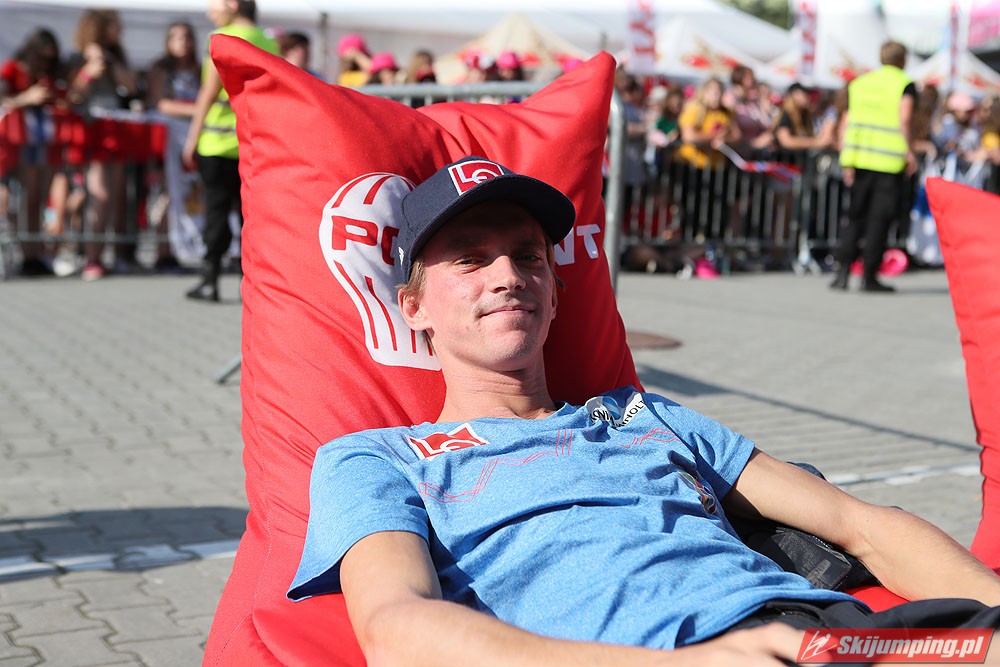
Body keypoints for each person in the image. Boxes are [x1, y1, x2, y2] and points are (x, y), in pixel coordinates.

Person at [288, 155, 1000, 665]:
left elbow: (858, 524)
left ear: (555, 293)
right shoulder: (377, 458)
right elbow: (397, 628)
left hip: (827, 638)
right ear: (412, 306)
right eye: (470, 260)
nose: (509, 277)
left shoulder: (639, 413)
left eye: (529, 257)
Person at [182, 0, 279, 302]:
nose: (209, 11)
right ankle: (250, 283)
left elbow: (209, 91)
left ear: (232, 4)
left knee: (216, 213)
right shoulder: (267, 41)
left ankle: (209, 280)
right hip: (254, 144)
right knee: (251, 218)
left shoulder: (222, 38)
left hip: (217, 144)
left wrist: (192, 137)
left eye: (214, 3)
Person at [831, 40, 917, 293]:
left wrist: (847, 160)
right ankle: (869, 276)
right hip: (889, 162)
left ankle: (842, 273)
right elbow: (905, 118)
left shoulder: (860, 83)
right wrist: (909, 151)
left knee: (855, 217)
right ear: (902, 60)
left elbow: (847, 122)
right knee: (879, 220)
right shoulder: (904, 83)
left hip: (860, 159)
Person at [67, 8, 139, 280]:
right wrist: (89, 70)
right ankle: (92, 257)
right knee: (100, 194)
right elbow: (72, 94)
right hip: (91, 129)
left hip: (116, 128)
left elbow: (131, 87)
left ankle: (118, 255)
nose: (120, 30)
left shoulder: (116, 56)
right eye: (114, 25)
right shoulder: (76, 56)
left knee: (119, 194)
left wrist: (109, 61)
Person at [0, 27, 67, 276]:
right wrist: (26, 98)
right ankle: (27, 253)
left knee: (40, 197)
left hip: (45, 140)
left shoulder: (49, 75)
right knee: (27, 196)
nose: (45, 62)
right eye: (41, 57)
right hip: (19, 140)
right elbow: (3, 99)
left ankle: (37, 251)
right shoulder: (12, 69)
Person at [146, 21, 201, 271]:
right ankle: (164, 250)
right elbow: (160, 103)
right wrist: (198, 109)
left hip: (195, 135)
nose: (184, 43)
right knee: (167, 193)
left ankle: (190, 246)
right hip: (169, 138)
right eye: (177, 38)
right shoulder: (161, 69)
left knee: (192, 192)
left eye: (187, 37)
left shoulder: (200, 68)